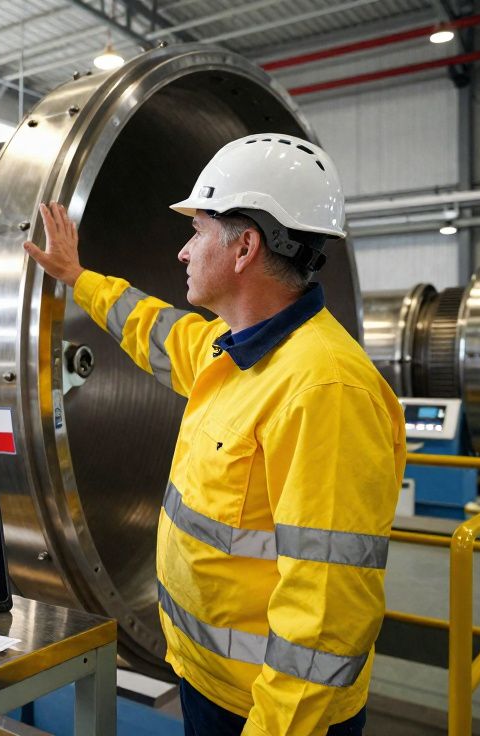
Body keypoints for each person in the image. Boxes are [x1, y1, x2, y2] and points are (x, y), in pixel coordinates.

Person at [24, 134, 405, 736]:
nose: (181, 252)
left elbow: (328, 610)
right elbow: (153, 328)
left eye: (196, 231)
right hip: (208, 681)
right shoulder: (230, 352)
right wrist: (78, 277)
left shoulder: (324, 390)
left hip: (272, 712)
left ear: (244, 246)